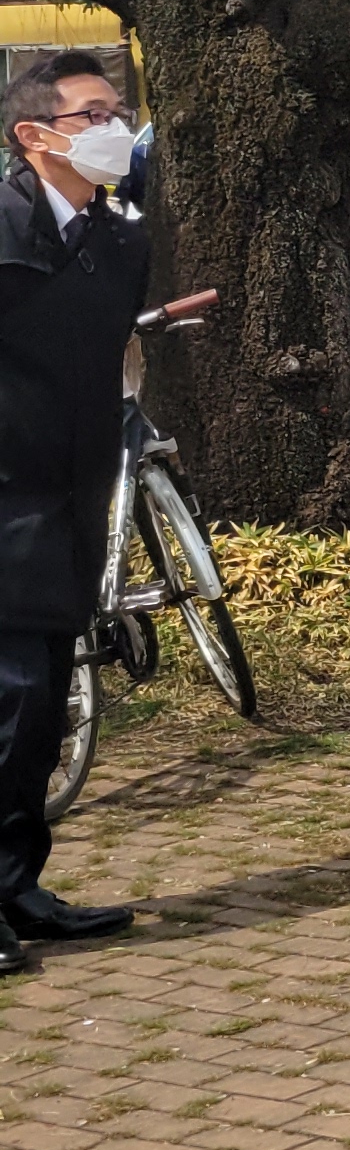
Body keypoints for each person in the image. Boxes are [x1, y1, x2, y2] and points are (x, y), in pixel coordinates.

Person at [0, 49, 153, 968]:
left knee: (42, 704)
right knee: (7, 699)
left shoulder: (118, 239)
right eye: (91, 115)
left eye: (116, 111)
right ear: (34, 136)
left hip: (69, 493)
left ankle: (18, 887)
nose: (113, 129)